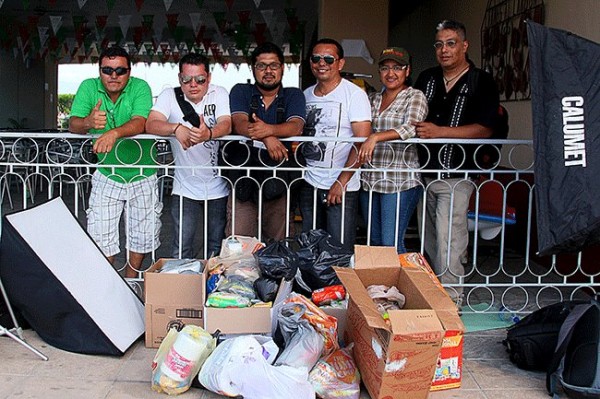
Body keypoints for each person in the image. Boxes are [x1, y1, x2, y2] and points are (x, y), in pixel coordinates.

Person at [413, 20, 501, 303]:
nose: (444, 49)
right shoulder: (426, 78)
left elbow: (486, 128)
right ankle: (429, 294)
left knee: (450, 241)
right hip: (422, 173)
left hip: (456, 175)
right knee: (428, 240)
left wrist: (441, 133)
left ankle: (450, 300)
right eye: (439, 44)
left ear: (464, 46)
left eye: (451, 43)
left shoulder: (481, 81)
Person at [69, 46, 160, 278]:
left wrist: (113, 133)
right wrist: (89, 121)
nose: (113, 75)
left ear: (129, 72)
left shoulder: (140, 87)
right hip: (107, 172)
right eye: (107, 70)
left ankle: (130, 283)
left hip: (143, 172)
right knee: (101, 234)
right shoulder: (89, 87)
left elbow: (141, 121)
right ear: (99, 71)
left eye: (120, 70)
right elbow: (73, 124)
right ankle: (108, 284)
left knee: (142, 233)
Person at [146, 53, 232, 259]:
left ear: (208, 78)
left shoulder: (218, 93)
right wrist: (176, 128)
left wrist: (208, 134)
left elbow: (226, 123)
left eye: (200, 79)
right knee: (181, 246)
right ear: (179, 79)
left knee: (215, 247)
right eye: (187, 79)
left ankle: (211, 289)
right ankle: (182, 289)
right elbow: (151, 123)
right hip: (184, 186)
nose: (193, 84)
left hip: (218, 186)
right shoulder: (169, 95)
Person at [225, 42, 305, 242]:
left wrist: (268, 130)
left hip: (280, 176)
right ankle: (238, 274)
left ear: (282, 68)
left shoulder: (293, 95)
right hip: (244, 175)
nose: (268, 71)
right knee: (239, 239)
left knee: (279, 240)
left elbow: (295, 126)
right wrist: (269, 138)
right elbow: (239, 123)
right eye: (261, 66)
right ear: (253, 69)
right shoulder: (241, 91)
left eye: (274, 65)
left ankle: (278, 274)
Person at [300, 38, 372, 250]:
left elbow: (361, 143)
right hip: (310, 182)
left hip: (342, 186)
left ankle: (338, 285)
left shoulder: (355, 95)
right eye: (316, 58)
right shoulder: (306, 95)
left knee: (338, 249)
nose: (322, 63)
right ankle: (313, 285)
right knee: (310, 247)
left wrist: (341, 182)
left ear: (340, 63)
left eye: (329, 59)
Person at [358, 47, 428, 254]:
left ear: (407, 71)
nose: (391, 73)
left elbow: (411, 128)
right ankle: (379, 286)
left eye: (397, 68)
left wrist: (376, 136)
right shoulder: (373, 99)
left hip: (400, 179)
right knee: (375, 240)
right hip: (371, 178)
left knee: (391, 242)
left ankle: (401, 285)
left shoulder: (414, 96)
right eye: (385, 68)